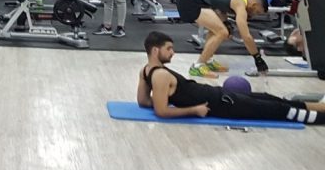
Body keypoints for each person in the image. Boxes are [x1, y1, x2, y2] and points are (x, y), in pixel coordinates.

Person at [137, 31, 325, 124]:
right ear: (155, 51)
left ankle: (321, 107)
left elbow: (143, 102)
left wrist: (166, 98)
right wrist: (193, 109)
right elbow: (162, 112)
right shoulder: (160, 75)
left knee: (271, 98)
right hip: (224, 104)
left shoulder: (146, 71)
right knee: (281, 110)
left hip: (220, 95)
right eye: (168, 49)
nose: (173, 52)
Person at [175, 0, 269, 78]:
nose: (254, 15)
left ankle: (207, 60)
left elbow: (219, 3)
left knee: (216, 30)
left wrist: (225, 22)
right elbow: (246, 36)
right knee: (222, 32)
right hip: (189, 0)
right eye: (257, 12)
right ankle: (197, 66)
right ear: (254, 5)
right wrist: (257, 58)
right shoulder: (240, 2)